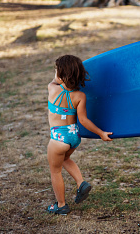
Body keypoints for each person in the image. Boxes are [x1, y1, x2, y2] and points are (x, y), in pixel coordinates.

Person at [46, 55, 113, 215]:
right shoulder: (80, 96)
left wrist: (58, 77)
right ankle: (80, 182)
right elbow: (83, 120)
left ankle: (61, 205)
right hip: (74, 137)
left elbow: (54, 81)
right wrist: (101, 133)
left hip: (58, 139)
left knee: (55, 171)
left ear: (61, 76)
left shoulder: (52, 88)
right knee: (65, 159)